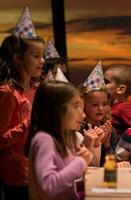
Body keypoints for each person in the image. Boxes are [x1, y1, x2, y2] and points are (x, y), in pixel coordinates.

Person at [0, 6, 45, 200]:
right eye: (36, 56)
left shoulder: (38, 89)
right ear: (18, 58)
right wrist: (25, 125)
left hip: (40, 169)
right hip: (18, 175)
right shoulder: (8, 93)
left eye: (42, 56)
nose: (42, 61)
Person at [23, 81, 93, 200]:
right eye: (76, 106)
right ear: (57, 110)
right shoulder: (43, 139)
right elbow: (47, 186)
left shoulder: (62, 139)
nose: (82, 114)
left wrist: (82, 159)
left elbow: (67, 180)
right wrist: (80, 163)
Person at [80, 60, 117, 166]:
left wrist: (106, 144)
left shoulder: (111, 131)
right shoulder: (79, 130)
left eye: (105, 104)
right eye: (95, 105)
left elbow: (111, 164)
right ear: (83, 105)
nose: (101, 108)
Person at [104, 64, 131, 139]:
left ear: (120, 89)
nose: (101, 85)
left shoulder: (125, 109)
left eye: (106, 82)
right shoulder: (109, 107)